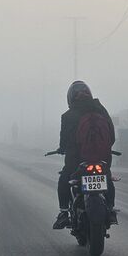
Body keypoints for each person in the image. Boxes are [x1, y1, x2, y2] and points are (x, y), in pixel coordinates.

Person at [53, 81, 117, 230]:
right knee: (107, 178)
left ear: (70, 98)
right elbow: (111, 137)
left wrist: (62, 149)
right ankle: (111, 209)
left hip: (76, 161)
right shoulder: (100, 110)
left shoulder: (68, 116)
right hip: (102, 159)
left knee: (64, 180)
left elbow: (64, 143)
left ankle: (63, 213)